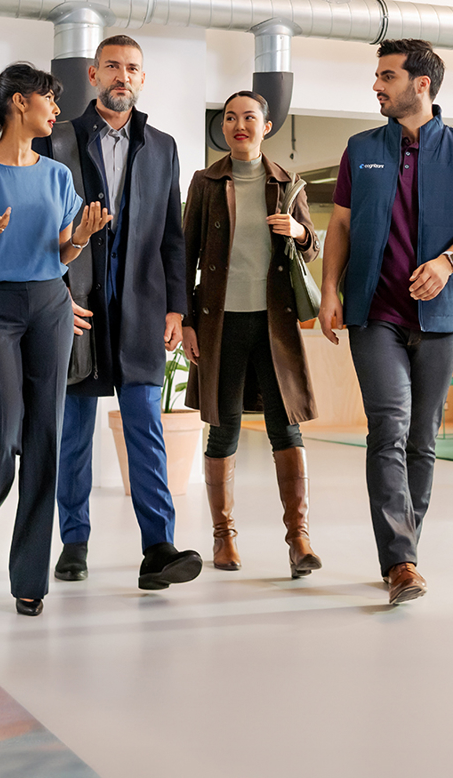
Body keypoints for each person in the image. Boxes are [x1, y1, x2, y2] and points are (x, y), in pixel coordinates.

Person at [319, 39, 453, 605]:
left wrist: (447, 265)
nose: (377, 85)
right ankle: (400, 562)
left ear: (421, 83)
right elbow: (341, 227)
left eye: (387, 76)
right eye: (377, 76)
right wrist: (328, 291)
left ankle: (405, 550)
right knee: (388, 429)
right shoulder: (360, 149)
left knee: (423, 439)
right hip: (374, 313)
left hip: (439, 316)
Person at [0, 63, 111, 616]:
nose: (56, 112)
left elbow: (59, 254)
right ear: (19, 104)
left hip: (48, 307)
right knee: (1, 432)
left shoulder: (58, 177)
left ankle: (30, 577)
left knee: (45, 437)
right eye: (49, 101)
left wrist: (80, 238)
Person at [33, 35, 202, 590]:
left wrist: (179, 306)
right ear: (93, 73)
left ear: (142, 78)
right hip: (76, 304)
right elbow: (41, 227)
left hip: (141, 308)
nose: (122, 76)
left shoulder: (163, 146)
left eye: (132, 68)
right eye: (112, 66)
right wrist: (52, 298)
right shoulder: (57, 139)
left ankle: (158, 548)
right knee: (75, 430)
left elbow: (172, 239)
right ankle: (74, 542)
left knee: (145, 427)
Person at [182, 91, 323, 579]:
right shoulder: (205, 182)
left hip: (274, 322)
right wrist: (184, 320)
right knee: (223, 426)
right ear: (222, 127)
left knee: (287, 424)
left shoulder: (287, 182)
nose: (239, 125)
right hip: (220, 322)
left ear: (267, 126)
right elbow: (185, 256)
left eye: (249, 118)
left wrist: (300, 234)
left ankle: (299, 540)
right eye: (230, 118)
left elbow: (312, 245)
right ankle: (224, 539)